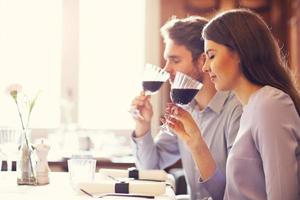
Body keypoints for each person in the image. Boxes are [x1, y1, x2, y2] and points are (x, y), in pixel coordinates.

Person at [167, 9, 300, 200]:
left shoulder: (270, 105)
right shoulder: (251, 107)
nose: (205, 67)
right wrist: (196, 142)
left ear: (239, 52)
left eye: (211, 56)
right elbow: (228, 195)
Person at [130, 16, 243, 200]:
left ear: (202, 61)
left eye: (175, 60)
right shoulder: (184, 109)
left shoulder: (236, 110)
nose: (166, 70)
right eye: (166, 61)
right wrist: (142, 126)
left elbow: (234, 193)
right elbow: (150, 167)